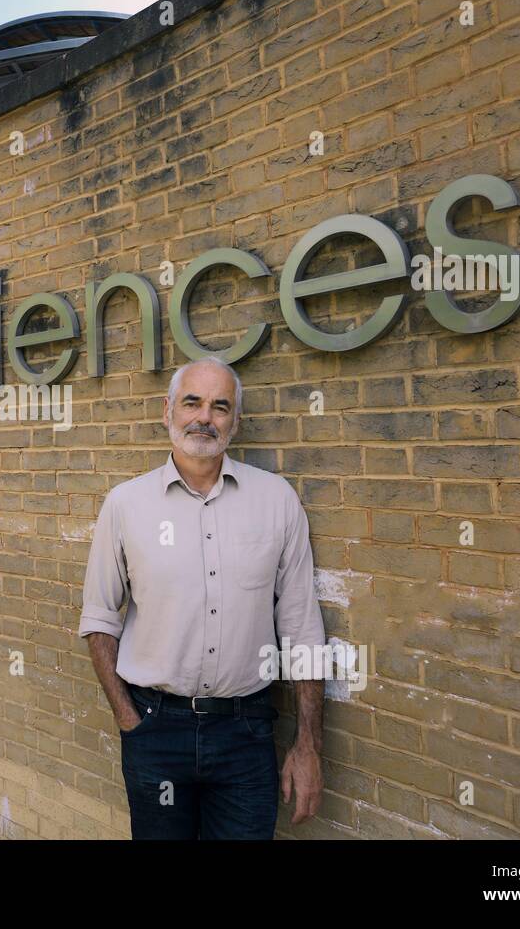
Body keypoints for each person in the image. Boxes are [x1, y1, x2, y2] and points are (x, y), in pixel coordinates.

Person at [79, 355, 326, 839]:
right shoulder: (126, 504)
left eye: (220, 406)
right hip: (155, 731)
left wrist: (308, 743)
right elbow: (99, 617)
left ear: (236, 420)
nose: (204, 418)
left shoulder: (276, 500)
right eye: (192, 402)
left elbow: (301, 627)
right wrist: (129, 720)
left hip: (246, 734)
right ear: (167, 410)